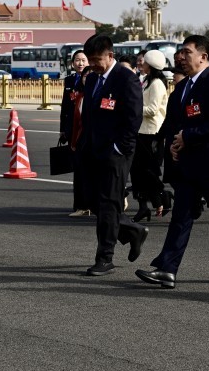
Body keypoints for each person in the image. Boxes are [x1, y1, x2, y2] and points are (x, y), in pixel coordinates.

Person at [136, 35, 209, 289]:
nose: (180, 57)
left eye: (186, 52)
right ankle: (167, 269)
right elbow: (172, 126)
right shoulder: (181, 89)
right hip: (187, 166)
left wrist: (186, 137)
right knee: (181, 217)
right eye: (180, 53)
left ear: (203, 57)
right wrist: (173, 146)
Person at [77, 34, 147, 277]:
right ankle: (130, 230)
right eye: (90, 60)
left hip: (115, 153)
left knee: (108, 203)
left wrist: (120, 148)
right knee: (92, 200)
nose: (93, 64)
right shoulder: (93, 79)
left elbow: (133, 117)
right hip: (93, 150)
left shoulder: (125, 79)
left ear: (110, 55)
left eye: (97, 59)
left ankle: (105, 257)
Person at [131, 49, 169, 221]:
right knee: (138, 171)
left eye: (143, 61)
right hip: (141, 131)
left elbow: (153, 110)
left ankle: (162, 196)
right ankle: (146, 204)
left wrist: (133, 109)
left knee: (149, 171)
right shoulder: (146, 80)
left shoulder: (157, 84)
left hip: (151, 132)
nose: (141, 64)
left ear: (151, 65)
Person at [59, 51, 91, 217]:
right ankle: (80, 204)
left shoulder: (94, 83)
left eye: (83, 60)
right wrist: (63, 129)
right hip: (73, 130)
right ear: (72, 63)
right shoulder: (70, 81)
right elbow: (65, 107)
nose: (80, 63)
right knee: (78, 169)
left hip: (87, 133)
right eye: (77, 60)